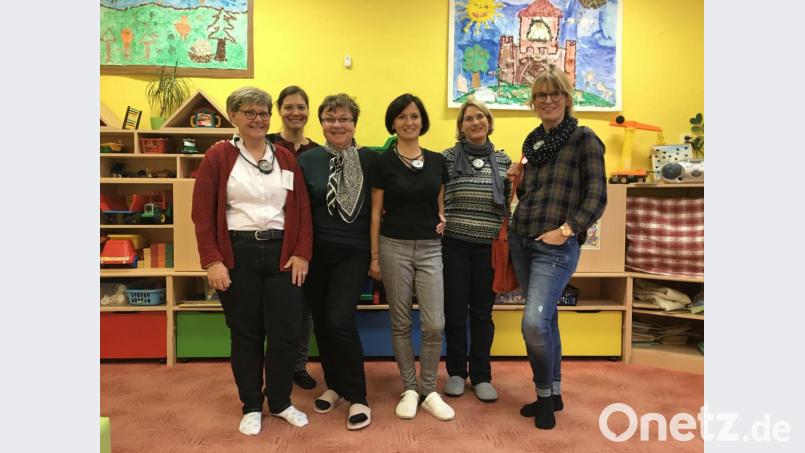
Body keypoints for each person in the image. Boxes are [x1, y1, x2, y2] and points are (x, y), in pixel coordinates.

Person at [191, 86, 313, 435]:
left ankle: (280, 401)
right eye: (250, 112)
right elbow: (201, 214)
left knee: (286, 332)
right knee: (245, 334)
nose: (259, 119)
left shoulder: (285, 158)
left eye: (263, 113)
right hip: (237, 255)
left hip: (281, 255)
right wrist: (212, 261)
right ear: (234, 116)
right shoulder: (218, 156)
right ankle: (250, 405)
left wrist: (302, 252)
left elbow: (301, 210)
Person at [507, 66, 607, 430]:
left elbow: (597, 196)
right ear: (533, 102)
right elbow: (529, 195)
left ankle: (543, 395)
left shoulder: (584, 138)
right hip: (523, 240)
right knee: (547, 319)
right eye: (541, 95)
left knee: (533, 324)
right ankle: (556, 391)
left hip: (555, 246)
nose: (548, 100)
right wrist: (516, 181)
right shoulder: (531, 142)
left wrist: (566, 230)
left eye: (555, 93)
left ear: (567, 98)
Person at [368, 93, 454, 421]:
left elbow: (438, 201)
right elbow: (376, 213)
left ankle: (429, 389)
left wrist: (443, 215)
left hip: (431, 247)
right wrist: (374, 256)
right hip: (393, 246)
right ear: (393, 122)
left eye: (415, 116)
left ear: (423, 121)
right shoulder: (382, 162)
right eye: (402, 117)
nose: (409, 122)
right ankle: (408, 387)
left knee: (435, 323)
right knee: (400, 321)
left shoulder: (437, 161)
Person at [296, 93, 375, 430]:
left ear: (354, 123)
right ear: (322, 123)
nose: (337, 124)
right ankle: (336, 386)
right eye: (330, 118)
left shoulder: (371, 159)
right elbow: (298, 209)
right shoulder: (307, 160)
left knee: (340, 320)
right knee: (323, 323)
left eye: (344, 118)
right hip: (316, 254)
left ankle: (358, 395)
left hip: (354, 252)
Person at [440, 98, 511, 403]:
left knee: (482, 314)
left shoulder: (505, 161)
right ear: (461, 126)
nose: (475, 122)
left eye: (480, 117)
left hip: (489, 248)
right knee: (455, 313)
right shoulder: (445, 158)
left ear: (488, 122)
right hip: (454, 245)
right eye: (468, 118)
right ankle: (457, 373)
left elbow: (511, 201)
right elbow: (435, 195)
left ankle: (481, 375)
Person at [267, 85, 320, 390]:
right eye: (289, 107)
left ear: (308, 111)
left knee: (304, 311)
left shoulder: (318, 151)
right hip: (275, 236)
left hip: (309, 238)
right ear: (279, 110)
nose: (295, 113)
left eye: (301, 107)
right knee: (277, 311)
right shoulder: (267, 145)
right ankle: (277, 368)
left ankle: (298, 366)